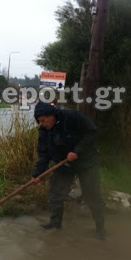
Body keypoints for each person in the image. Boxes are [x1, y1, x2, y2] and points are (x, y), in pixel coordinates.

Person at [32, 101, 106, 240]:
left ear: (51, 116)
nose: (41, 124)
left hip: (87, 162)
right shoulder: (44, 131)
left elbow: (92, 132)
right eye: (39, 121)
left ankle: (100, 228)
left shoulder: (72, 116)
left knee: (92, 197)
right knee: (55, 195)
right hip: (64, 164)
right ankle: (55, 224)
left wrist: (77, 151)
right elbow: (44, 154)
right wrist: (38, 174)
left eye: (43, 120)